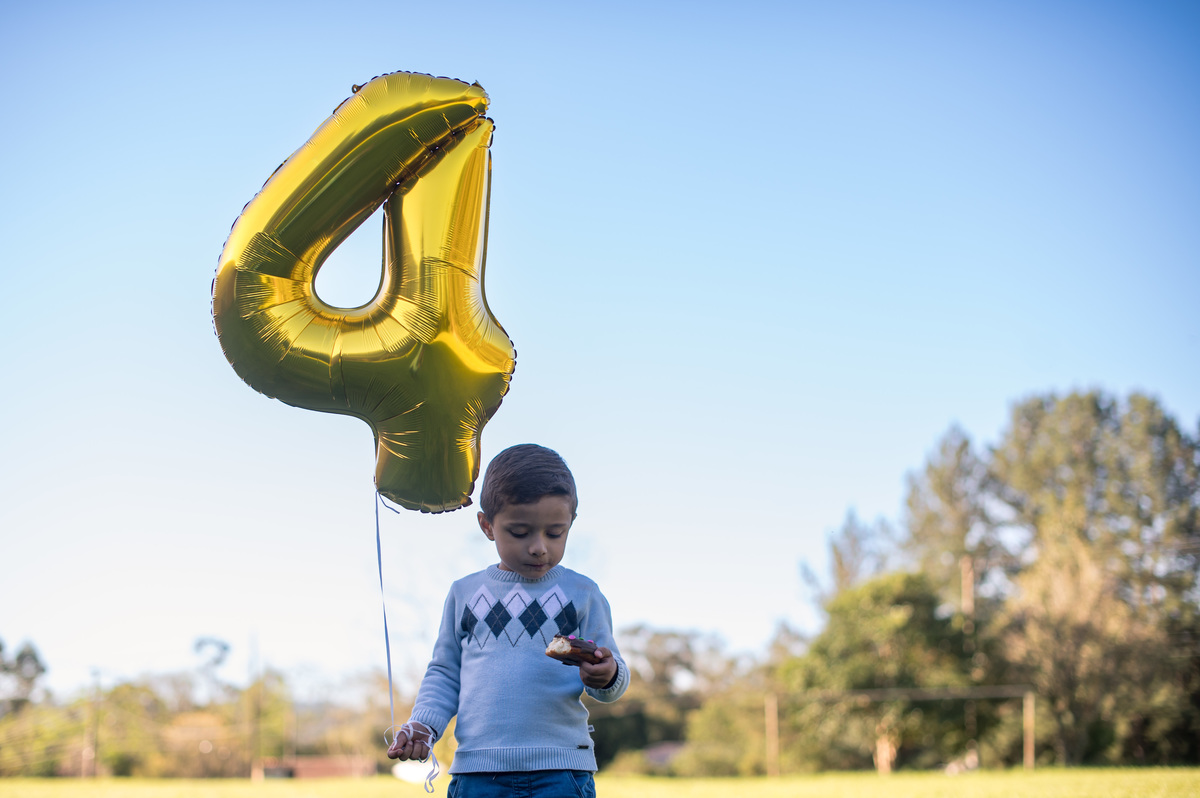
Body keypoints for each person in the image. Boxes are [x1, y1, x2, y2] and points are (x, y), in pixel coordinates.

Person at [388, 443, 630, 797]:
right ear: (487, 525)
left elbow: (610, 671)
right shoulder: (464, 593)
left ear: (570, 523)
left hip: (561, 770)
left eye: (555, 532)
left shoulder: (583, 592)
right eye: (520, 532)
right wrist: (424, 724)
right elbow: (444, 671)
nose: (538, 547)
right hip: (478, 772)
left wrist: (607, 675)